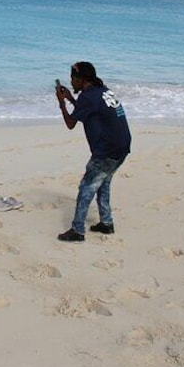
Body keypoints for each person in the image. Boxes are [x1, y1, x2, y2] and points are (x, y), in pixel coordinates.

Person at [55, 61, 131, 242]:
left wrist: (61, 103)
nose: (71, 83)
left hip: (107, 150)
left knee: (87, 187)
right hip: (122, 146)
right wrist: (71, 99)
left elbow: (70, 124)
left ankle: (78, 230)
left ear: (81, 80)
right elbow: (88, 112)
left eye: (73, 79)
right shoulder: (102, 91)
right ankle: (106, 223)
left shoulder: (87, 97)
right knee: (103, 183)